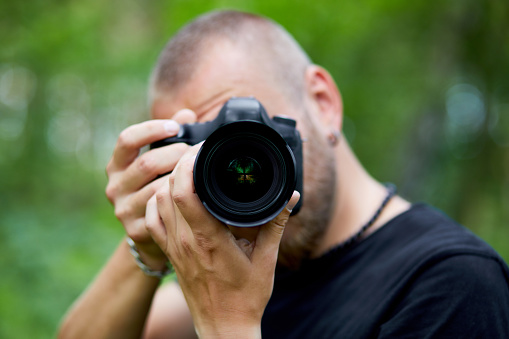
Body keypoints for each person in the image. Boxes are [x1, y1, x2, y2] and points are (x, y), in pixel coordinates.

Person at [58, 10, 509, 338]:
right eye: (196, 157)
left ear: (323, 103)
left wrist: (229, 327)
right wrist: (148, 238)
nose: (228, 172)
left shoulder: (452, 284)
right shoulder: (243, 265)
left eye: (247, 136)